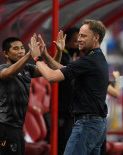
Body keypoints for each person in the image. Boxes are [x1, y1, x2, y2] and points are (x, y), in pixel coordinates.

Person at [29, 19, 108, 155]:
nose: (79, 40)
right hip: (96, 125)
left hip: (86, 125)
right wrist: (46, 56)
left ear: (96, 37)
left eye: (83, 36)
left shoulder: (88, 60)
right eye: (79, 36)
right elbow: (65, 70)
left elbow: (52, 77)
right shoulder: (97, 58)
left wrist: (37, 59)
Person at [0, 32, 65, 155]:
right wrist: (30, 54)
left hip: (17, 127)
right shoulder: (2, 68)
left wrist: (59, 51)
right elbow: (9, 73)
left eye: (22, 48)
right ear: (6, 54)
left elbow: (51, 70)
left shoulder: (27, 69)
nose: (20, 51)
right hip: (4, 126)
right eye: (15, 48)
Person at [57, 27, 79, 155]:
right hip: (63, 110)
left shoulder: (76, 58)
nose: (78, 44)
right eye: (75, 41)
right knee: (64, 144)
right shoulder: (64, 58)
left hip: (72, 110)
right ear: (67, 43)